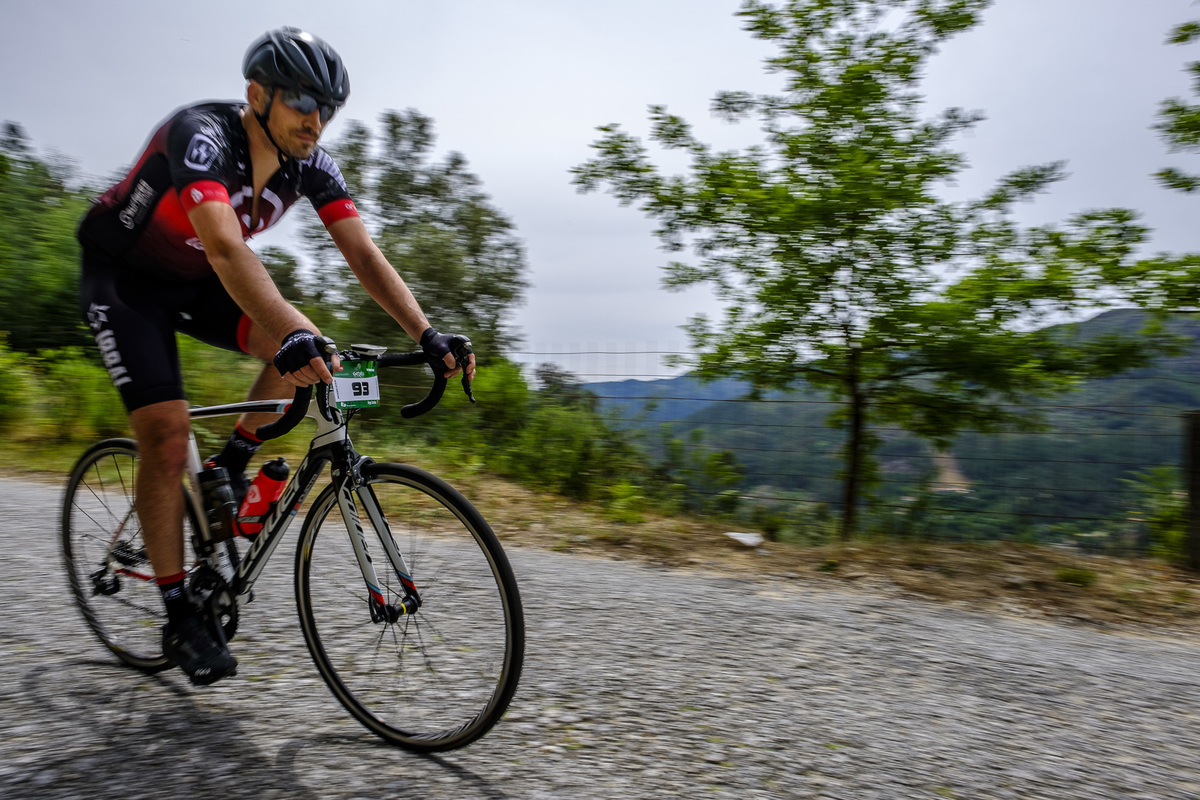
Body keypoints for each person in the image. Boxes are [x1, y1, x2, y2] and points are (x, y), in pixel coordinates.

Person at [77, 27, 474, 686]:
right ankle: (179, 614)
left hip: (198, 278)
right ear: (256, 94)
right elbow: (229, 249)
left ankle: (232, 464)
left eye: (327, 107)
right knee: (167, 435)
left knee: (313, 350)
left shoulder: (311, 165)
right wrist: (286, 327)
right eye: (299, 100)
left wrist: (426, 333)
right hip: (126, 280)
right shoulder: (201, 135)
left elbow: (364, 256)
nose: (315, 119)